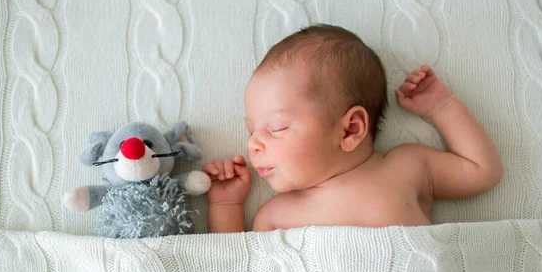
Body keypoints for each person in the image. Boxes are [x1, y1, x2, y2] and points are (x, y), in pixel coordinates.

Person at [203, 24, 503, 233]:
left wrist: (441, 107)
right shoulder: (275, 214)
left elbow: (481, 171)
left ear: (350, 130)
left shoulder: (407, 167)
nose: (253, 145)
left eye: (277, 127)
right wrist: (226, 204)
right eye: (251, 131)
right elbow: (240, 271)